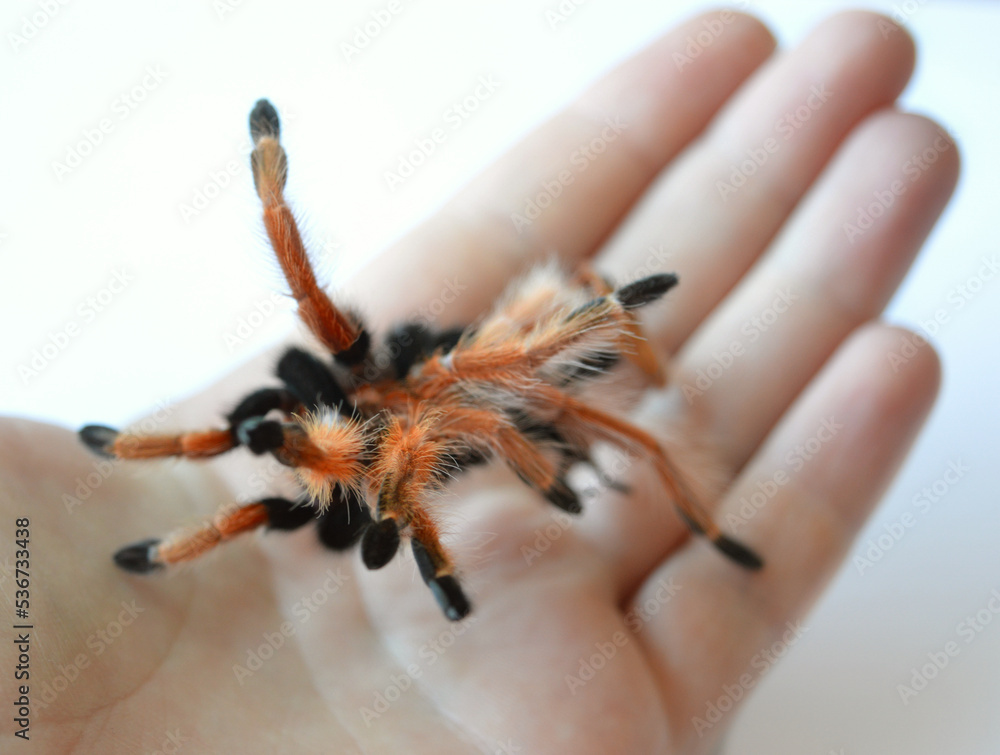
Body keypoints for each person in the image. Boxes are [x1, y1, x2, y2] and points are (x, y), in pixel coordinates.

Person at [0, 9, 957, 753]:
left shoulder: (377, 375)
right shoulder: (304, 479)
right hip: (379, 445)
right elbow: (336, 478)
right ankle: (596, 340)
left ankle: (602, 328)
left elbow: (403, 382)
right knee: (416, 428)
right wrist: (160, 487)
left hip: (410, 378)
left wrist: (589, 319)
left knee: (517, 364)